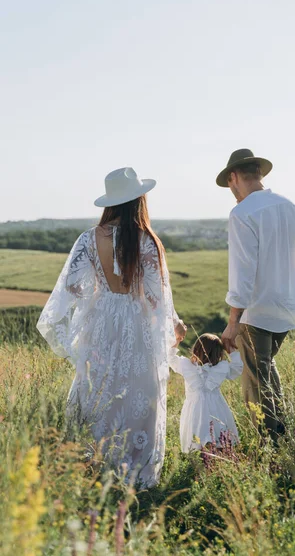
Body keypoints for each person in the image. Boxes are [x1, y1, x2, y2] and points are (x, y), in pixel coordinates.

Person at [37, 167, 186, 487]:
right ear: (138, 201)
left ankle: (94, 466)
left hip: (101, 322)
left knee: (99, 389)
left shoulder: (89, 239)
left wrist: (100, 292)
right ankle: (135, 473)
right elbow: (157, 296)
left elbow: (73, 288)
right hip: (137, 323)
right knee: (139, 393)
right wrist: (173, 325)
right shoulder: (148, 241)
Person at [217, 149, 295, 443]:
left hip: (256, 311)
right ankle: (284, 432)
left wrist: (233, 321)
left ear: (233, 178)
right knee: (266, 368)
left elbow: (243, 270)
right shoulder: (290, 206)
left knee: (254, 383)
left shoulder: (242, 213)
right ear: (259, 174)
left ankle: (271, 445)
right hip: (287, 307)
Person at [168, 333, 243, 452]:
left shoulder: (186, 366)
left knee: (197, 437)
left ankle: (203, 458)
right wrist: (231, 350)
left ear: (196, 349)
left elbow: (170, 359)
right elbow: (237, 368)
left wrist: (177, 340)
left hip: (195, 409)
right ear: (219, 353)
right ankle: (218, 457)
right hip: (217, 408)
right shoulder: (221, 368)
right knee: (220, 435)